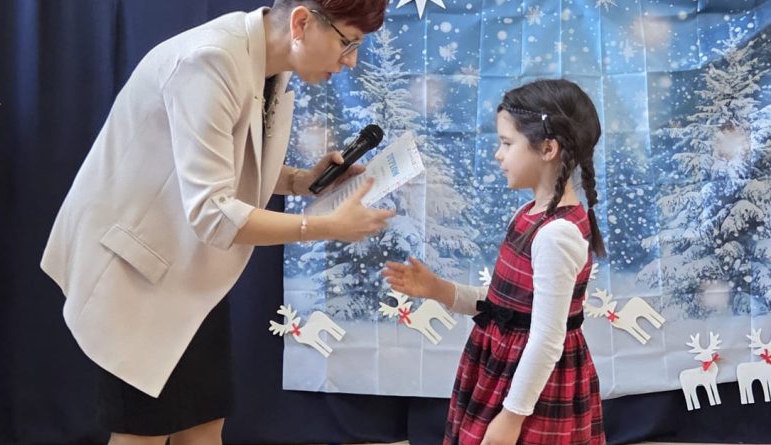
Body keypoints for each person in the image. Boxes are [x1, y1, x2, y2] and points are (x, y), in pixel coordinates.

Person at [40, 0, 392, 443]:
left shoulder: (268, 68)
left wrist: (302, 182)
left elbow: (223, 165)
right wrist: (323, 226)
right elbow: (212, 213)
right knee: (141, 435)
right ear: (302, 22)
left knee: (205, 426)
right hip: (134, 269)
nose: (351, 61)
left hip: (190, 273)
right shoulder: (209, 60)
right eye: (348, 43)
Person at [383, 79, 607, 445]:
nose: (497, 155)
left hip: (530, 390)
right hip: (501, 374)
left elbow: (547, 339)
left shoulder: (556, 234)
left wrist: (512, 417)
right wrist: (438, 289)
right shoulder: (529, 214)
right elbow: (507, 308)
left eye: (506, 143)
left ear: (547, 148)